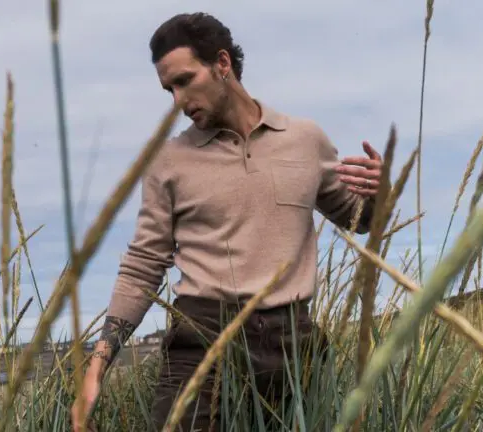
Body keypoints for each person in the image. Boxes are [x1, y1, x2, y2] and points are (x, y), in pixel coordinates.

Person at [72, 12, 385, 431]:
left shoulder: (305, 140)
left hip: (292, 347)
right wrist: (97, 366)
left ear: (222, 64)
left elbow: (358, 221)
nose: (179, 101)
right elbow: (143, 265)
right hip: (200, 345)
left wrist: (380, 194)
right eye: (169, 89)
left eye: (185, 81)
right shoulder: (168, 161)